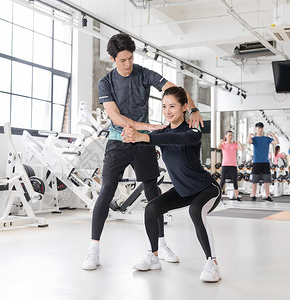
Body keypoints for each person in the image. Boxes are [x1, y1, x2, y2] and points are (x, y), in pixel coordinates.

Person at [81, 33, 203, 270]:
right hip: (118, 142)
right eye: (122, 60)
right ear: (112, 58)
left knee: (153, 192)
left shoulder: (144, 73)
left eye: (130, 58)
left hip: (143, 143)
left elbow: (174, 89)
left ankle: (161, 245)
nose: (127, 64)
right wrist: (146, 127)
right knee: (106, 191)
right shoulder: (105, 82)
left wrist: (193, 108)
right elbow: (115, 117)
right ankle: (93, 249)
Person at [122, 86, 222, 282]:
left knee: (195, 211)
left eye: (172, 106)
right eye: (164, 106)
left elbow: (176, 138)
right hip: (183, 191)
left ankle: (212, 264)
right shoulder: (162, 132)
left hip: (207, 189)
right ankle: (153, 256)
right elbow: (150, 140)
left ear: (184, 107)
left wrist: (146, 135)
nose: (167, 111)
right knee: (151, 208)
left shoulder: (192, 130)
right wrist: (131, 137)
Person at [247, 122, 279, 202]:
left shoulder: (267, 138)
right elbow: (248, 141)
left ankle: (267, 196)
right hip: (256, 162)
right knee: (254, 180)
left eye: (261, 128)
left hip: (265, 162)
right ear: (256, 129)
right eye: (258, 128)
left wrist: (273, 134)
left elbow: (277, 142)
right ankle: (253, 196)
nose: (260, 130)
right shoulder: (254, 139)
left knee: (266, 180)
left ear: (263, 129)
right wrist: (249, 134)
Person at [217, 130, 243, 201]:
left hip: (233, 165)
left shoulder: (234, 145)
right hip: (225, 165)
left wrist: (239, 143)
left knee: (235, 181)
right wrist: (221, 141)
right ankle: (219, 197)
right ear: (226, 136)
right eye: (229, 135)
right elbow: (218, 147)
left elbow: (242, 149)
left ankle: (237, 197)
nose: (231, 137)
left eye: (231, 135)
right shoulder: (223, 144)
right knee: (222, 181)